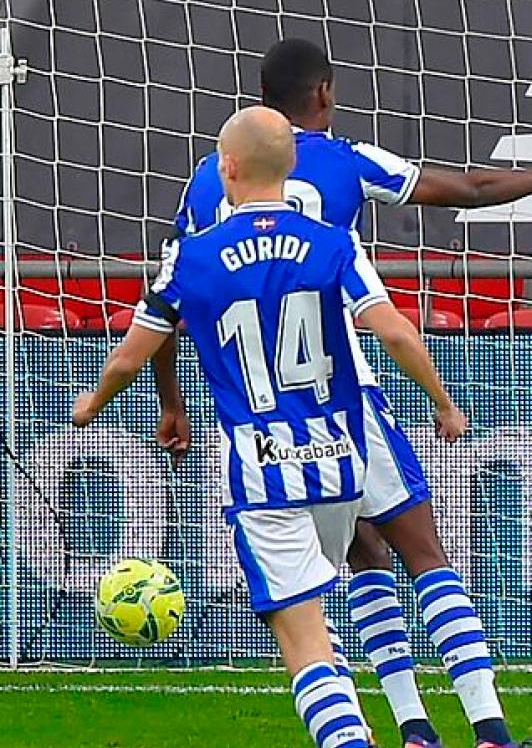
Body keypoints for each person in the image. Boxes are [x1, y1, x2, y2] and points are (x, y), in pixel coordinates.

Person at [154, 38, 532, 748]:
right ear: (324, 92)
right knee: (421, 551)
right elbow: (468, 190)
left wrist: (172, 402)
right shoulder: (343, 159)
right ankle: (489, 729)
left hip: (257, 415)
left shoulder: (204, 182)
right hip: (346, 395)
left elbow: (163, 307)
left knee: (359, 562)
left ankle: (411, 727)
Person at [73, 105, 453, 748]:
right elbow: (390, 326)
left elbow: (131, 355)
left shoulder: (190, 257)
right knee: (335, 606)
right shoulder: (333, 241)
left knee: (305, 641)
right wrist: (443, 402)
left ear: (226, 167)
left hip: (262, 470)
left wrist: (88, 406)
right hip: (340, 462)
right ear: (291, 165)